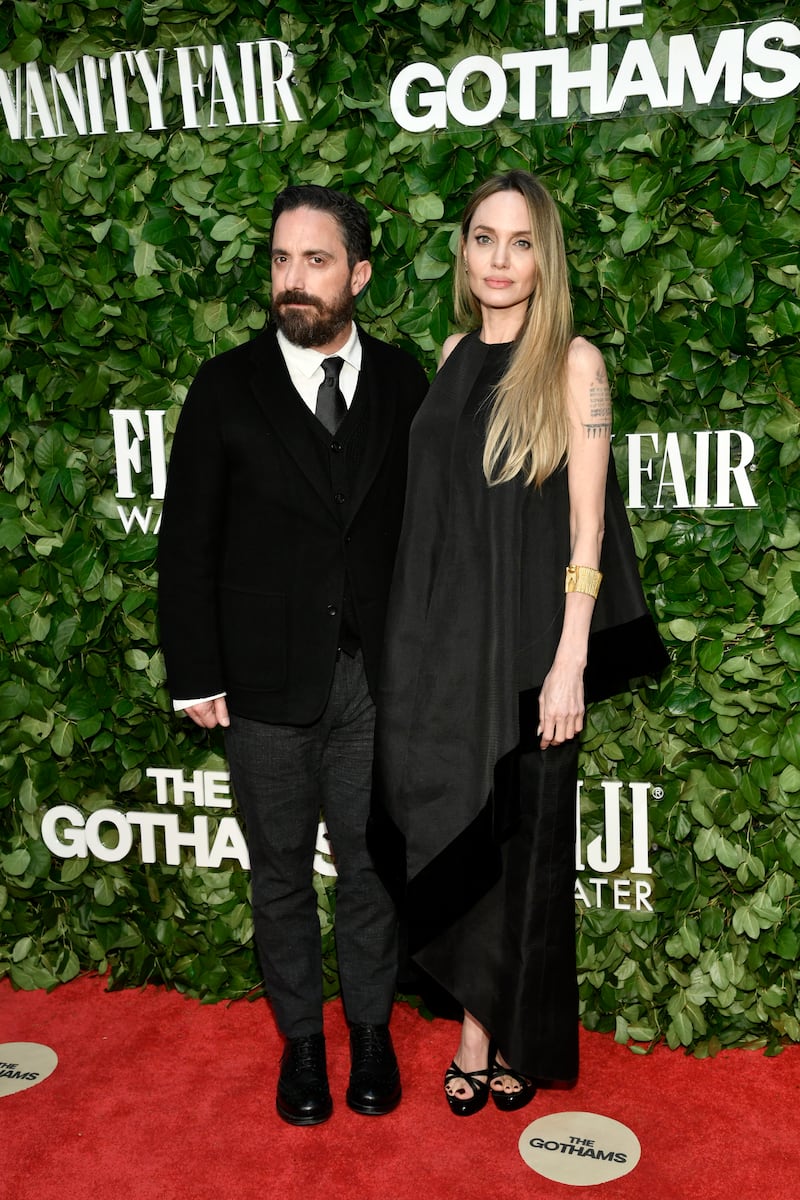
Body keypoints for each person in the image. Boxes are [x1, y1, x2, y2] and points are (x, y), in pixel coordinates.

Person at [371, 171, 668, 1116]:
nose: (499, 260)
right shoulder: (453, 352)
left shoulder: (574, 364)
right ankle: (474, 1026)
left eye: (520, 242)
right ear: (463, 253)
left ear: (545, 258)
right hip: (443, 652)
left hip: (532, 652)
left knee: (520, 846)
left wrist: (571, 659)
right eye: (483, 239)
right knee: (449, 822)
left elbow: (588, 530)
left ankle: (489, 1038)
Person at [157, 184, 428, 1126]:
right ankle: (302, 1050)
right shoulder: (224, 387)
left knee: (371, 870)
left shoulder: (403, 383)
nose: (293, 281)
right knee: (277, 875)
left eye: (315, 262)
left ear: (356, 274)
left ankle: (371, 1036)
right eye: (280, 260)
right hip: (263, 685)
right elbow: (186, 541)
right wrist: (195, 671)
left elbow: (427, 535)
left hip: (374, 682)